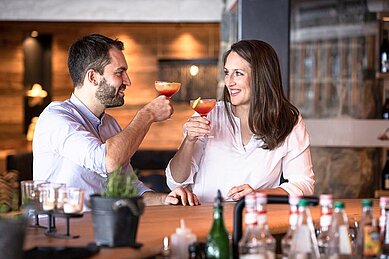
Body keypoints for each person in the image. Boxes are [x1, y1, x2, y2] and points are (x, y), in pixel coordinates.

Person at [33, 33, 199, 206]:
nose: (128, 81)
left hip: (101, 228)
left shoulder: (110, 125)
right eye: (120, 72)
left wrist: (165, 198)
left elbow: (130, 189)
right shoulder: (56, 118)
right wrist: (147, 114)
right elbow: (107, 161)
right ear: (93, 77)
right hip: (57, 229)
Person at [166, 39, 315, 203]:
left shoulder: (288, 121)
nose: (229, 82)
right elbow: (175, 183)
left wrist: (258, 194)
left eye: (238, 73)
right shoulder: (210, 114)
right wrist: (189, 140)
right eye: (227, 72)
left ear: (261, 77)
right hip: (205, 220)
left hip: (254, 220)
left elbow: (304, 184)